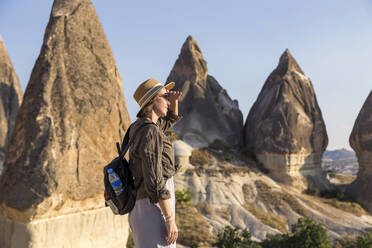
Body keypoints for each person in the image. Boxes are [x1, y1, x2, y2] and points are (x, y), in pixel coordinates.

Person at [128, 78, 182, 247]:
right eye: (164, 96)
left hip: (145, 207)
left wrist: (174, 102)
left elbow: (169, 121)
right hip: (152, 208)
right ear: (152, 101)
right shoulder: (150, 132)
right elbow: (155, 180)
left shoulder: (141, 126)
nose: (168, 100)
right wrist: (169, 218)